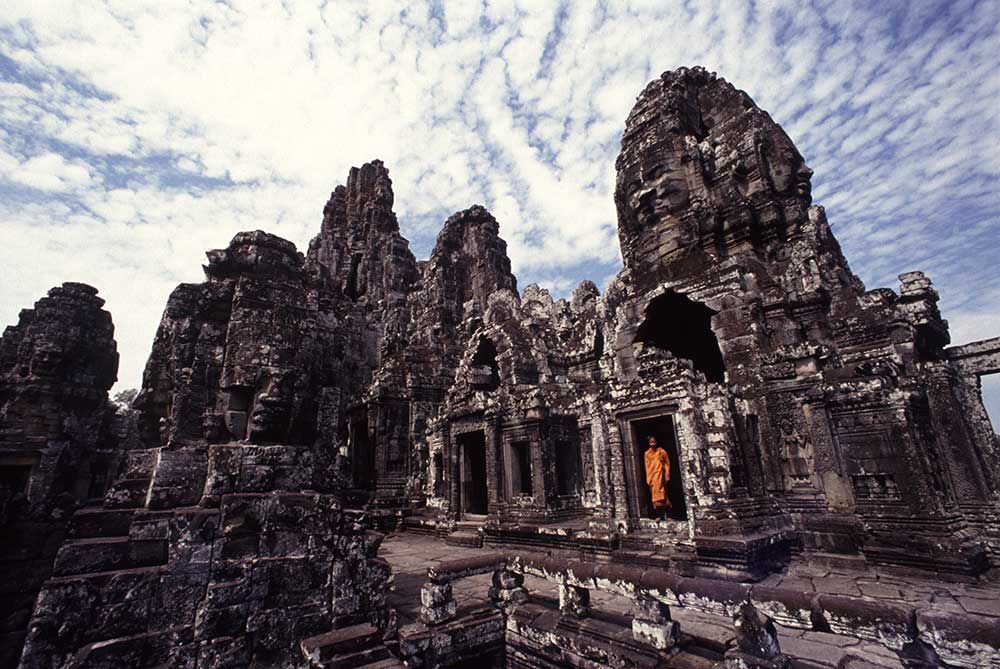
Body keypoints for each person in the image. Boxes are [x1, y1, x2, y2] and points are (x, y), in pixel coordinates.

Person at [644, 436, 671, 519]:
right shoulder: (647, 454)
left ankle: (669, 515)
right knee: (655, 497)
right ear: (649, 443)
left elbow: (667, 463)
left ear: (657, 442)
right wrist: (649, 478)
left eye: (654, 442)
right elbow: (647, 466)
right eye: (651, 442)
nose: (653, 444)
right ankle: (658, 516)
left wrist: (667, 474)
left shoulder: (661, 452)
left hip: (661, 476)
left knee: (664, 496)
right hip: (652, 477)